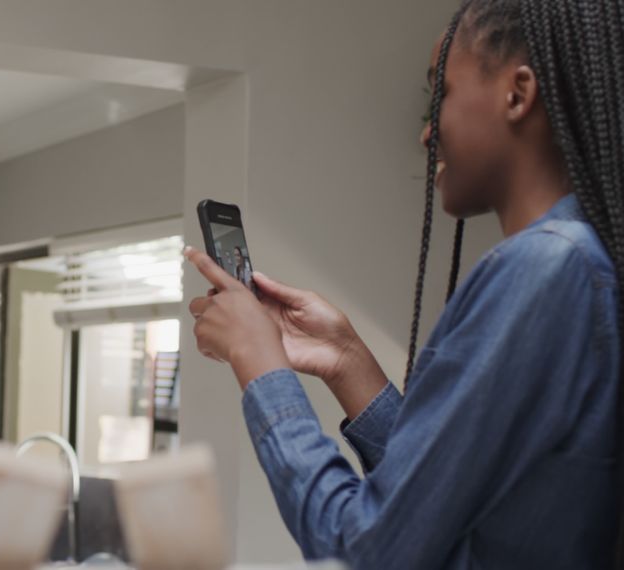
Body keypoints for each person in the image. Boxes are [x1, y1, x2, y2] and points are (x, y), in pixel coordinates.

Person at [186, 0, 622, 568]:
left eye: (442, 93)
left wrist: (261, 368)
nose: (425, 133)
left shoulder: (543, 267)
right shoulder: (578, 259)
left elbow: (365, 544)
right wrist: (346, 361)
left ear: (517, 94)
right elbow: (428, 503)